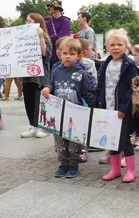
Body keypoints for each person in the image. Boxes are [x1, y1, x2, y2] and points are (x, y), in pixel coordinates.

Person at [41, 37, 95, 178]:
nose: (67, 56)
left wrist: (92, 109)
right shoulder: (56, 70)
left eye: (71, 54)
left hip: (75, 113)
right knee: (60, 140)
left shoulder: (82, 73)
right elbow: (52, 86)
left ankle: (73, 165)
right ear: (60, 54)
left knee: (74, 141)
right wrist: (47, 89)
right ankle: (63, 164)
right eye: (65, 53)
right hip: (58, 113)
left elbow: (87, 93)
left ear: (78, 56)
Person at [97, 29, 139, 183]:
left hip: (122, 111)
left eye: (119, 44)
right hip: (107, 109)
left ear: (126, 47)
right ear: (107, 47)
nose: (116, 47)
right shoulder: (105, 63)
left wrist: (124, 108)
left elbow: (133, 89)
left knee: (125, 140)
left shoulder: (129, 65)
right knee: (111, 140)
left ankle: (130, 171)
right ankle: (114, 170)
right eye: (112, 44)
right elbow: (100, 86)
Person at [20, 13, 52, 138]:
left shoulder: (44, 37)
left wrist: (40, 37)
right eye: (27, 21)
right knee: (29, 102)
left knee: (39, 102)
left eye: (30, 21)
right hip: (26, 76)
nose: (27, 23)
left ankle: (44, 127)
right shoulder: (24, 38)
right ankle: (33, 125)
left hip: (39, 77)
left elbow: (45, 54)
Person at [46, 0, 71, 69]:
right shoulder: (47, 22)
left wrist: (50, 38)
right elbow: (46, 38)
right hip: (50, 54)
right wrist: (54, 38)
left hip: (62, 54)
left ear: (57, 7)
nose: (49, 8)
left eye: (51, 6)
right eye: (49, 6)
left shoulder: (65, 21)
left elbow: (63, 37)